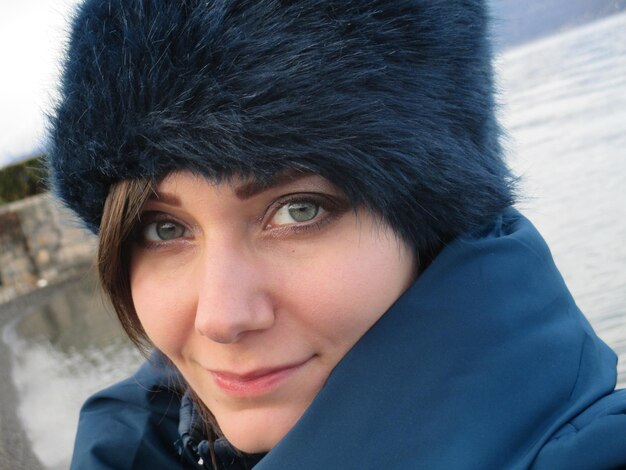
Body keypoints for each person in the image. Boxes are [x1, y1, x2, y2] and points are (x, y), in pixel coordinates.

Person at [48, 1, 626, 469]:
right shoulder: (141, 438)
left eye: (298, 210)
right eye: (164, 227)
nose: (220, 318)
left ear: (431, 222)